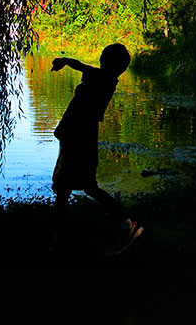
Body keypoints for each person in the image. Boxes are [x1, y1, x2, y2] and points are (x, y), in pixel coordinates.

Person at [50, 43, 143, 252]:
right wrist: (65, 62)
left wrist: (64, 62)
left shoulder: (103, 79)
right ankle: (126, 223)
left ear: (111, 63)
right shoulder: (106, 78)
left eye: (103, 56)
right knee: (83, 186)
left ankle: (59, 240)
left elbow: (81, 68)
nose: (99, 58)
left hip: (78, 138)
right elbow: (81, 66)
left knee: (65, 188)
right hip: (81, 137)